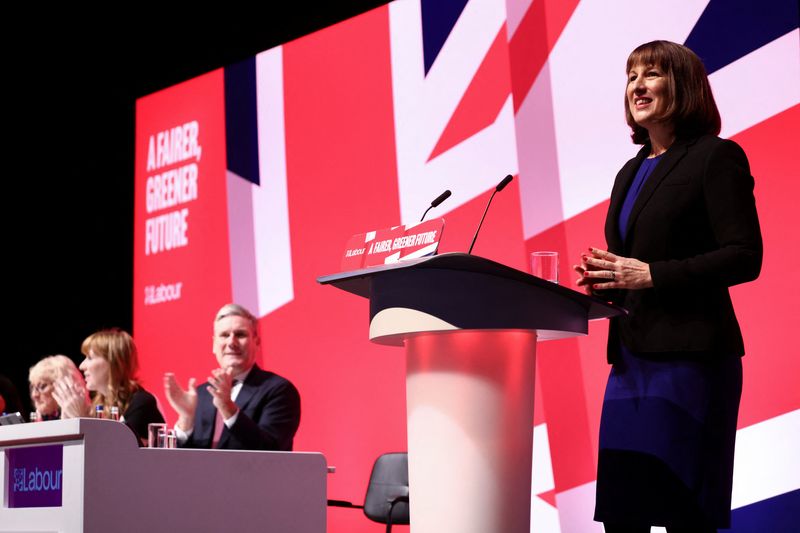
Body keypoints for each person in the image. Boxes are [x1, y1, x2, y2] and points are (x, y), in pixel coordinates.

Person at [574, 41, 762, 532]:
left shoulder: (716, 157)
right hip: (632, 362)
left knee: (684, 512)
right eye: (631, 75)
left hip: (692, 360)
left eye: (651, 73)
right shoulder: (629, 171)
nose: (637, 85)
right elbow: (635, 261)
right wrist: (608, 280)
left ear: (683, 86)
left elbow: (745, 256)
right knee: (623, 511)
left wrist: (651, 274)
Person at [163, 303, 301, 450]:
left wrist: (227, 407)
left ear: (257, 342)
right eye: (224, 335)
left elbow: (271, 449)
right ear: (214, 345)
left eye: (240, 334)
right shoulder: (201, 394)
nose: (231, 342)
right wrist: (186, 419)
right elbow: (177, 463)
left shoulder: (279, 390)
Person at [52, 328, 164, 444]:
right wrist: (67, 416)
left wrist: (79, 418)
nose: (81, 366)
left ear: (113, 362)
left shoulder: (142, 403)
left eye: (90, 358)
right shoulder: (98, 406)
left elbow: (115, 454)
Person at [28, 355, 86, 421]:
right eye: (32, 388)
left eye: (42, 386)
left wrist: (76, 416)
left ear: (66, 385)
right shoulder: (38, 420)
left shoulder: (95, 415)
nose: (34, 395)